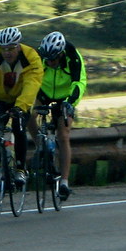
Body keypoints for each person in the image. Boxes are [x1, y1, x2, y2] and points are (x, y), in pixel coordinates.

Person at [0, 27, 43, 186]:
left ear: (18, 46)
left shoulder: (31, 57)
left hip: (21, 98)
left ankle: (20, 169)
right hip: (2, 98)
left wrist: (21, 106)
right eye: (3, 49)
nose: (7, 53)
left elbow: (32, 84)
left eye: (11, 48)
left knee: (18, 128)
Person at [31, 31, 87, 201]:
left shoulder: (73, 56)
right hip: (44, 91)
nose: (50, 62)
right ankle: (40, 145)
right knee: (27, 115)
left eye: (53, 59)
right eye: (47, 59)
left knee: (63, 135)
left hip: (65, 96)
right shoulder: (40, 56)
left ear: (61, 54)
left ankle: (64, 181)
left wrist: (70, 103)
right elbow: (30, 79)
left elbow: (79, 82)